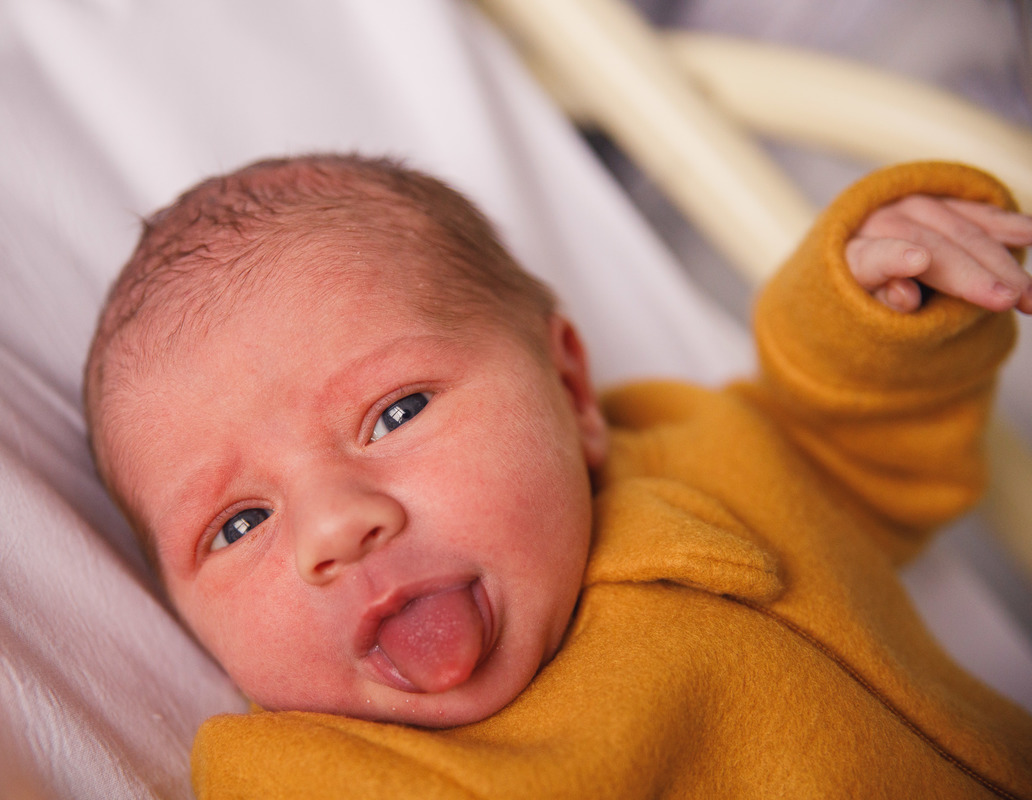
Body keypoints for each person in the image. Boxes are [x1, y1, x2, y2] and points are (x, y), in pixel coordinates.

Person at [83, 154, 1032, 798]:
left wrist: (878, 319)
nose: (334, 529)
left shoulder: (703, 450)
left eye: (396, 412)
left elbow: (862, 454)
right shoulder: (317, 769)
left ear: (571, 390)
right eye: (238, 524)